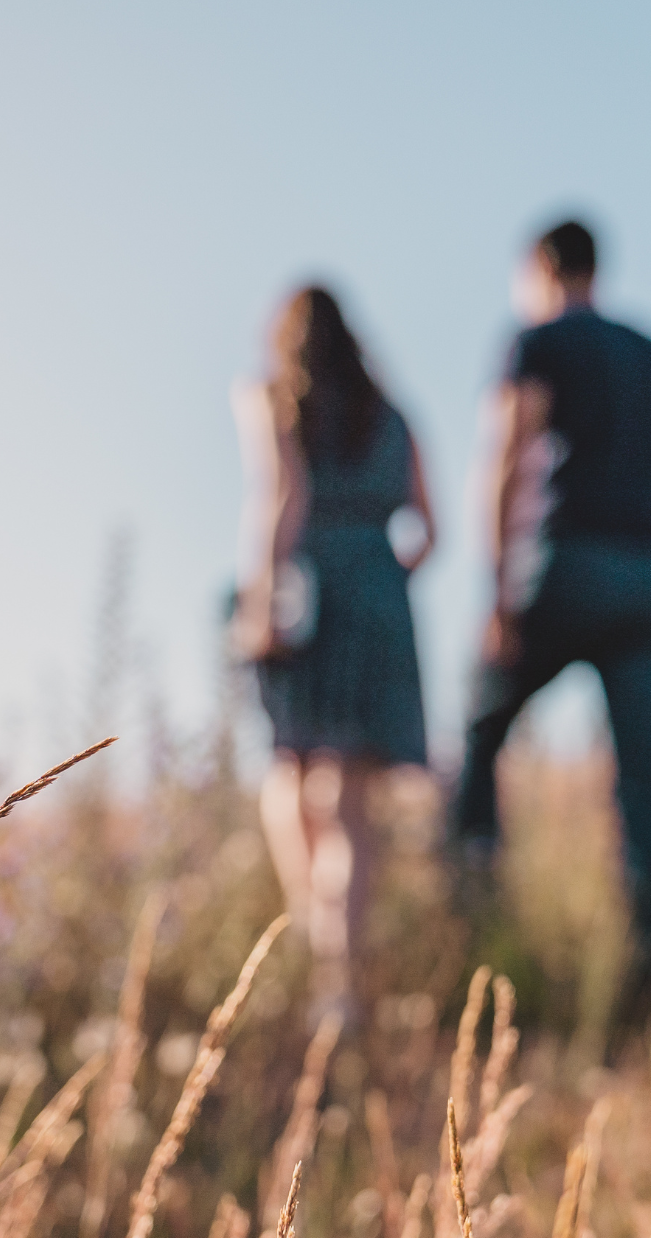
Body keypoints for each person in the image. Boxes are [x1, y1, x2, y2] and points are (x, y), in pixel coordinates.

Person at [450, 218, 651, 1056]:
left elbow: (505, 455)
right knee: (641, 772)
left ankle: (475, 919)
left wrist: (496, 590)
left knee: (482, 730)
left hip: (568, 562)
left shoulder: (536, 340)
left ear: (541, 269)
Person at [232, 285, 436, 1028]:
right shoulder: (394, 414)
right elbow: (429, 527)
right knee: (351, 802)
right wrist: (381, 585)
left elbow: (279, 494)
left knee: (290, 769)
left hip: (307, 590)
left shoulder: (270, 396)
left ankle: (318, 955)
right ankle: (342, 983)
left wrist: (262, 600)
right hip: (381, 595)